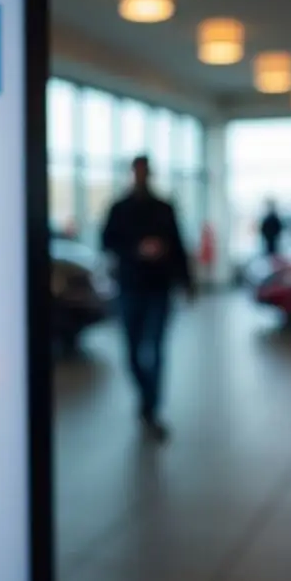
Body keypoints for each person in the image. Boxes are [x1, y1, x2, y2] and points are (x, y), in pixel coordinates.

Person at [101, 156, 195, 441]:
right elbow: (106, 241)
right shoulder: (119, 209)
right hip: (129, 287)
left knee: (154, 349)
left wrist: (186, 282)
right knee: (131, 352)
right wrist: (136, 249)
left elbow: (178, 245)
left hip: (158, 289)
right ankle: (145, 397)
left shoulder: (164, 209)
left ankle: (151, 408)